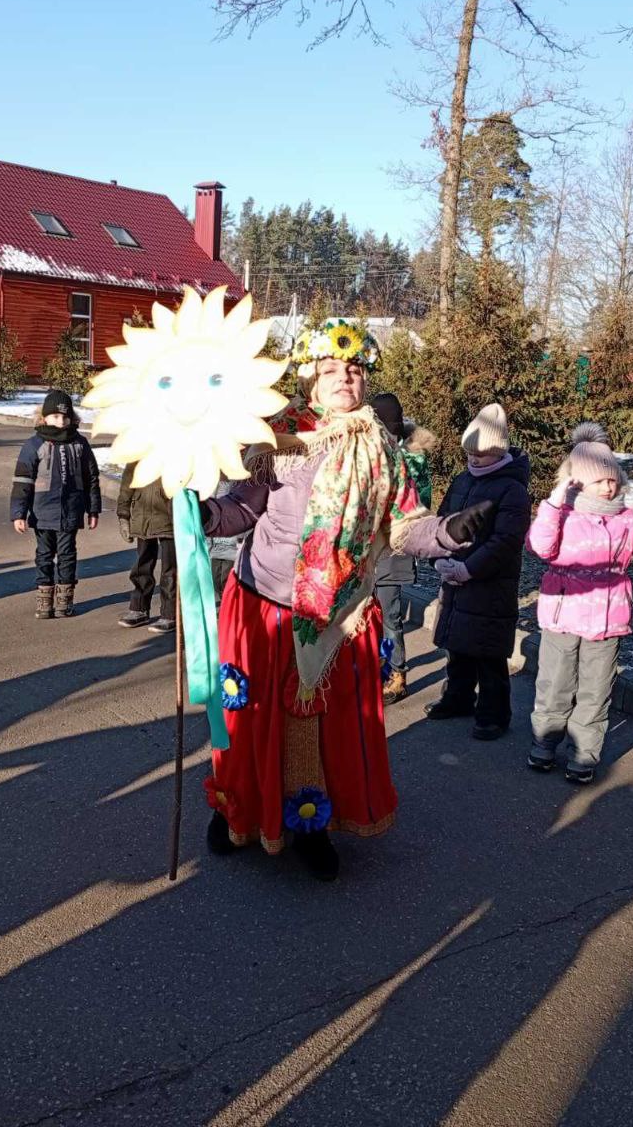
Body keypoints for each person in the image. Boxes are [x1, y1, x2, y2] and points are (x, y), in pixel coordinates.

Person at [200, 319, 489, 880]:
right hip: (264, 602)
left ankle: (309, 825)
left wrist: (451, 531)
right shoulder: (277, 434)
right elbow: (241, 511)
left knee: (319, 731)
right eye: (331, 370)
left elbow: (405, 528)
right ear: (311, 377)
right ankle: (235, 809)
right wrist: (202, 515)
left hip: (339, 612)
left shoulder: (381, 448)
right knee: (248, 717)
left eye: (353, 371)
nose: (343, 379)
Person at [527, 423, 633, 784]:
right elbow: (540, 547)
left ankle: (583, 752)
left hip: (607, 620)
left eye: (613, 479)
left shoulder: (626, 518)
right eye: (599, 481)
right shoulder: (562, 514)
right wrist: (551, 505)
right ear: (577, 483)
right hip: (563, 615)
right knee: (555, 684)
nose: (609, 486)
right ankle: (545, 742)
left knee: (595, 690)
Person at [425, 402, 530, 738]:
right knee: (458, 646)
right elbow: (440, 521)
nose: (474, 459)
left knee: (488, 654)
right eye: (470, 452)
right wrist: (438, 557)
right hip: (456, 577)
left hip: (489, 582)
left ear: (499, 450)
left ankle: (494, 714)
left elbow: (505, 541)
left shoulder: (512, 490)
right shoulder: (462, 480)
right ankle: (457, 698)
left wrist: (469, 569)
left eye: (482, 453)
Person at [370, 391, 437, 703]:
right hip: (366, 551)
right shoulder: (369, 451)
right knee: (364, 616)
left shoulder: (411, 459)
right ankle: (371, 669)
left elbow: (417, 507)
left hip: (394, 550)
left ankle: (396, 674)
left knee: (389, 617)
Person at [10, 389, 101, 619]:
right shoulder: (34, 444)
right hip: (42, 512)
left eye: (65, 417)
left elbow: (92, 478)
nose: (60, 422)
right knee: (44, 555)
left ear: (71, 418)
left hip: (71, 511)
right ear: (44, 418)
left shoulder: (79, 444)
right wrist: (19, 513)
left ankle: (64, 600)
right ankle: (44, 599)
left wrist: (93, 509)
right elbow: (23, 480)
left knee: (68, 555)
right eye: (55, 417)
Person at [116, 469, 177, 633]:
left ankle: (170, 613)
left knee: (170, 569)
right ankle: (139, 607)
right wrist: (123, 515)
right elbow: (128, 480)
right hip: (142, 515)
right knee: (141, 565)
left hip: (171, 516)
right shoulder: (140, 446)